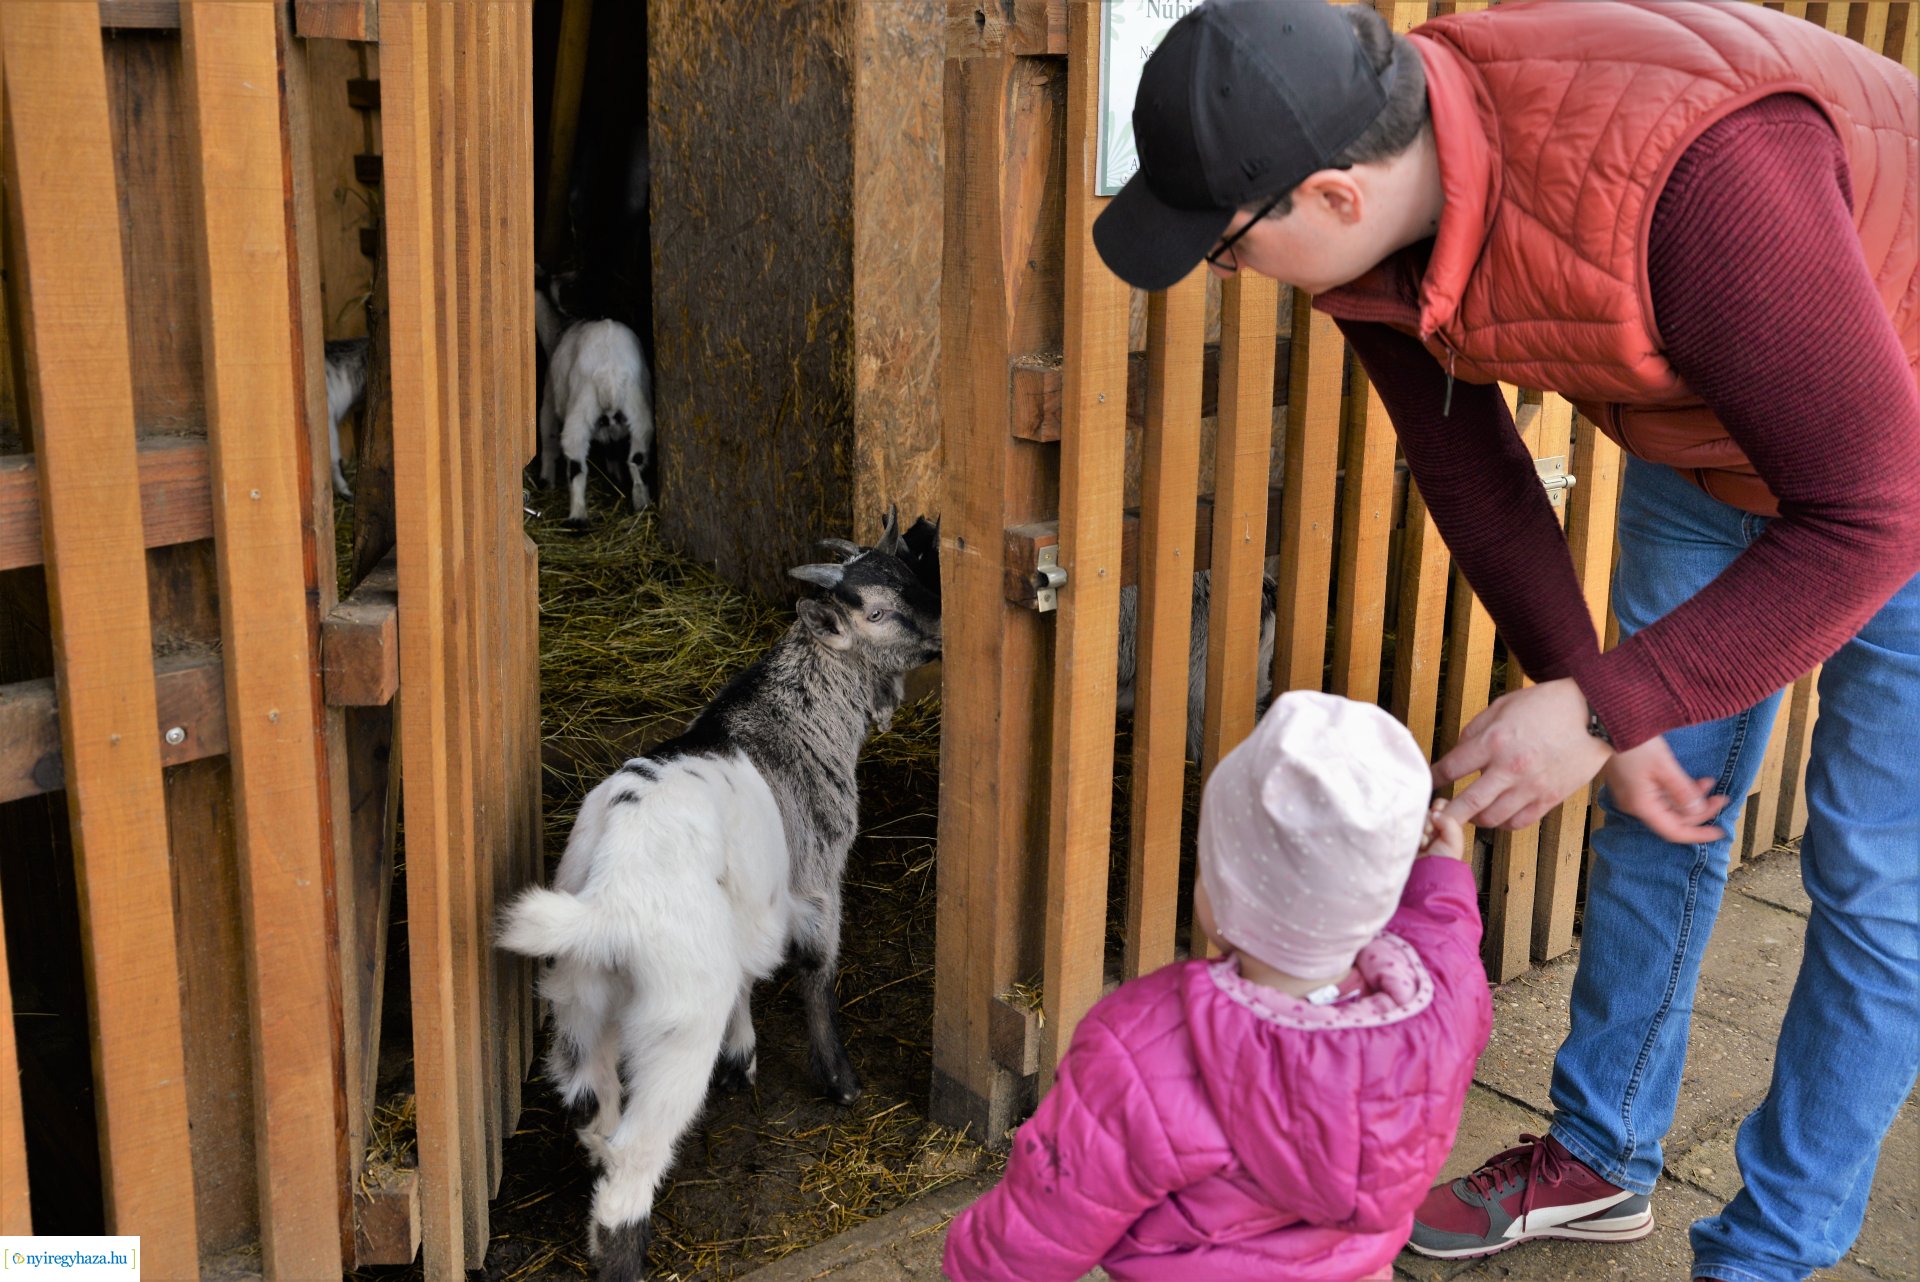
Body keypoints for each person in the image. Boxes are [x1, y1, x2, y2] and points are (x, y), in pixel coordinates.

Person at [1090, 3, 1920, 1281]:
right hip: (1712, 434)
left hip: (1894, 448)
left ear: (1332, 195)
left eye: (1226, 245)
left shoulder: (1706, 177)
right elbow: (1469, 472)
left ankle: (1771, 1252)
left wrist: (1599, 707)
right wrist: (1604, 703)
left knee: (1875, 877)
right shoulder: (1373, 223)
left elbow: (1875, 513)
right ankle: (1601, 1150)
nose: (1226, 271)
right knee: (1659, 798)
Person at [941, 691, 1493, 1282]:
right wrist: (1440, 869)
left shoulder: (1145, 1045)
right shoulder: (1442, 999)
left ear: (1220, 894)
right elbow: (1444, 934)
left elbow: (1048, 1216)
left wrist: (975, 1268)